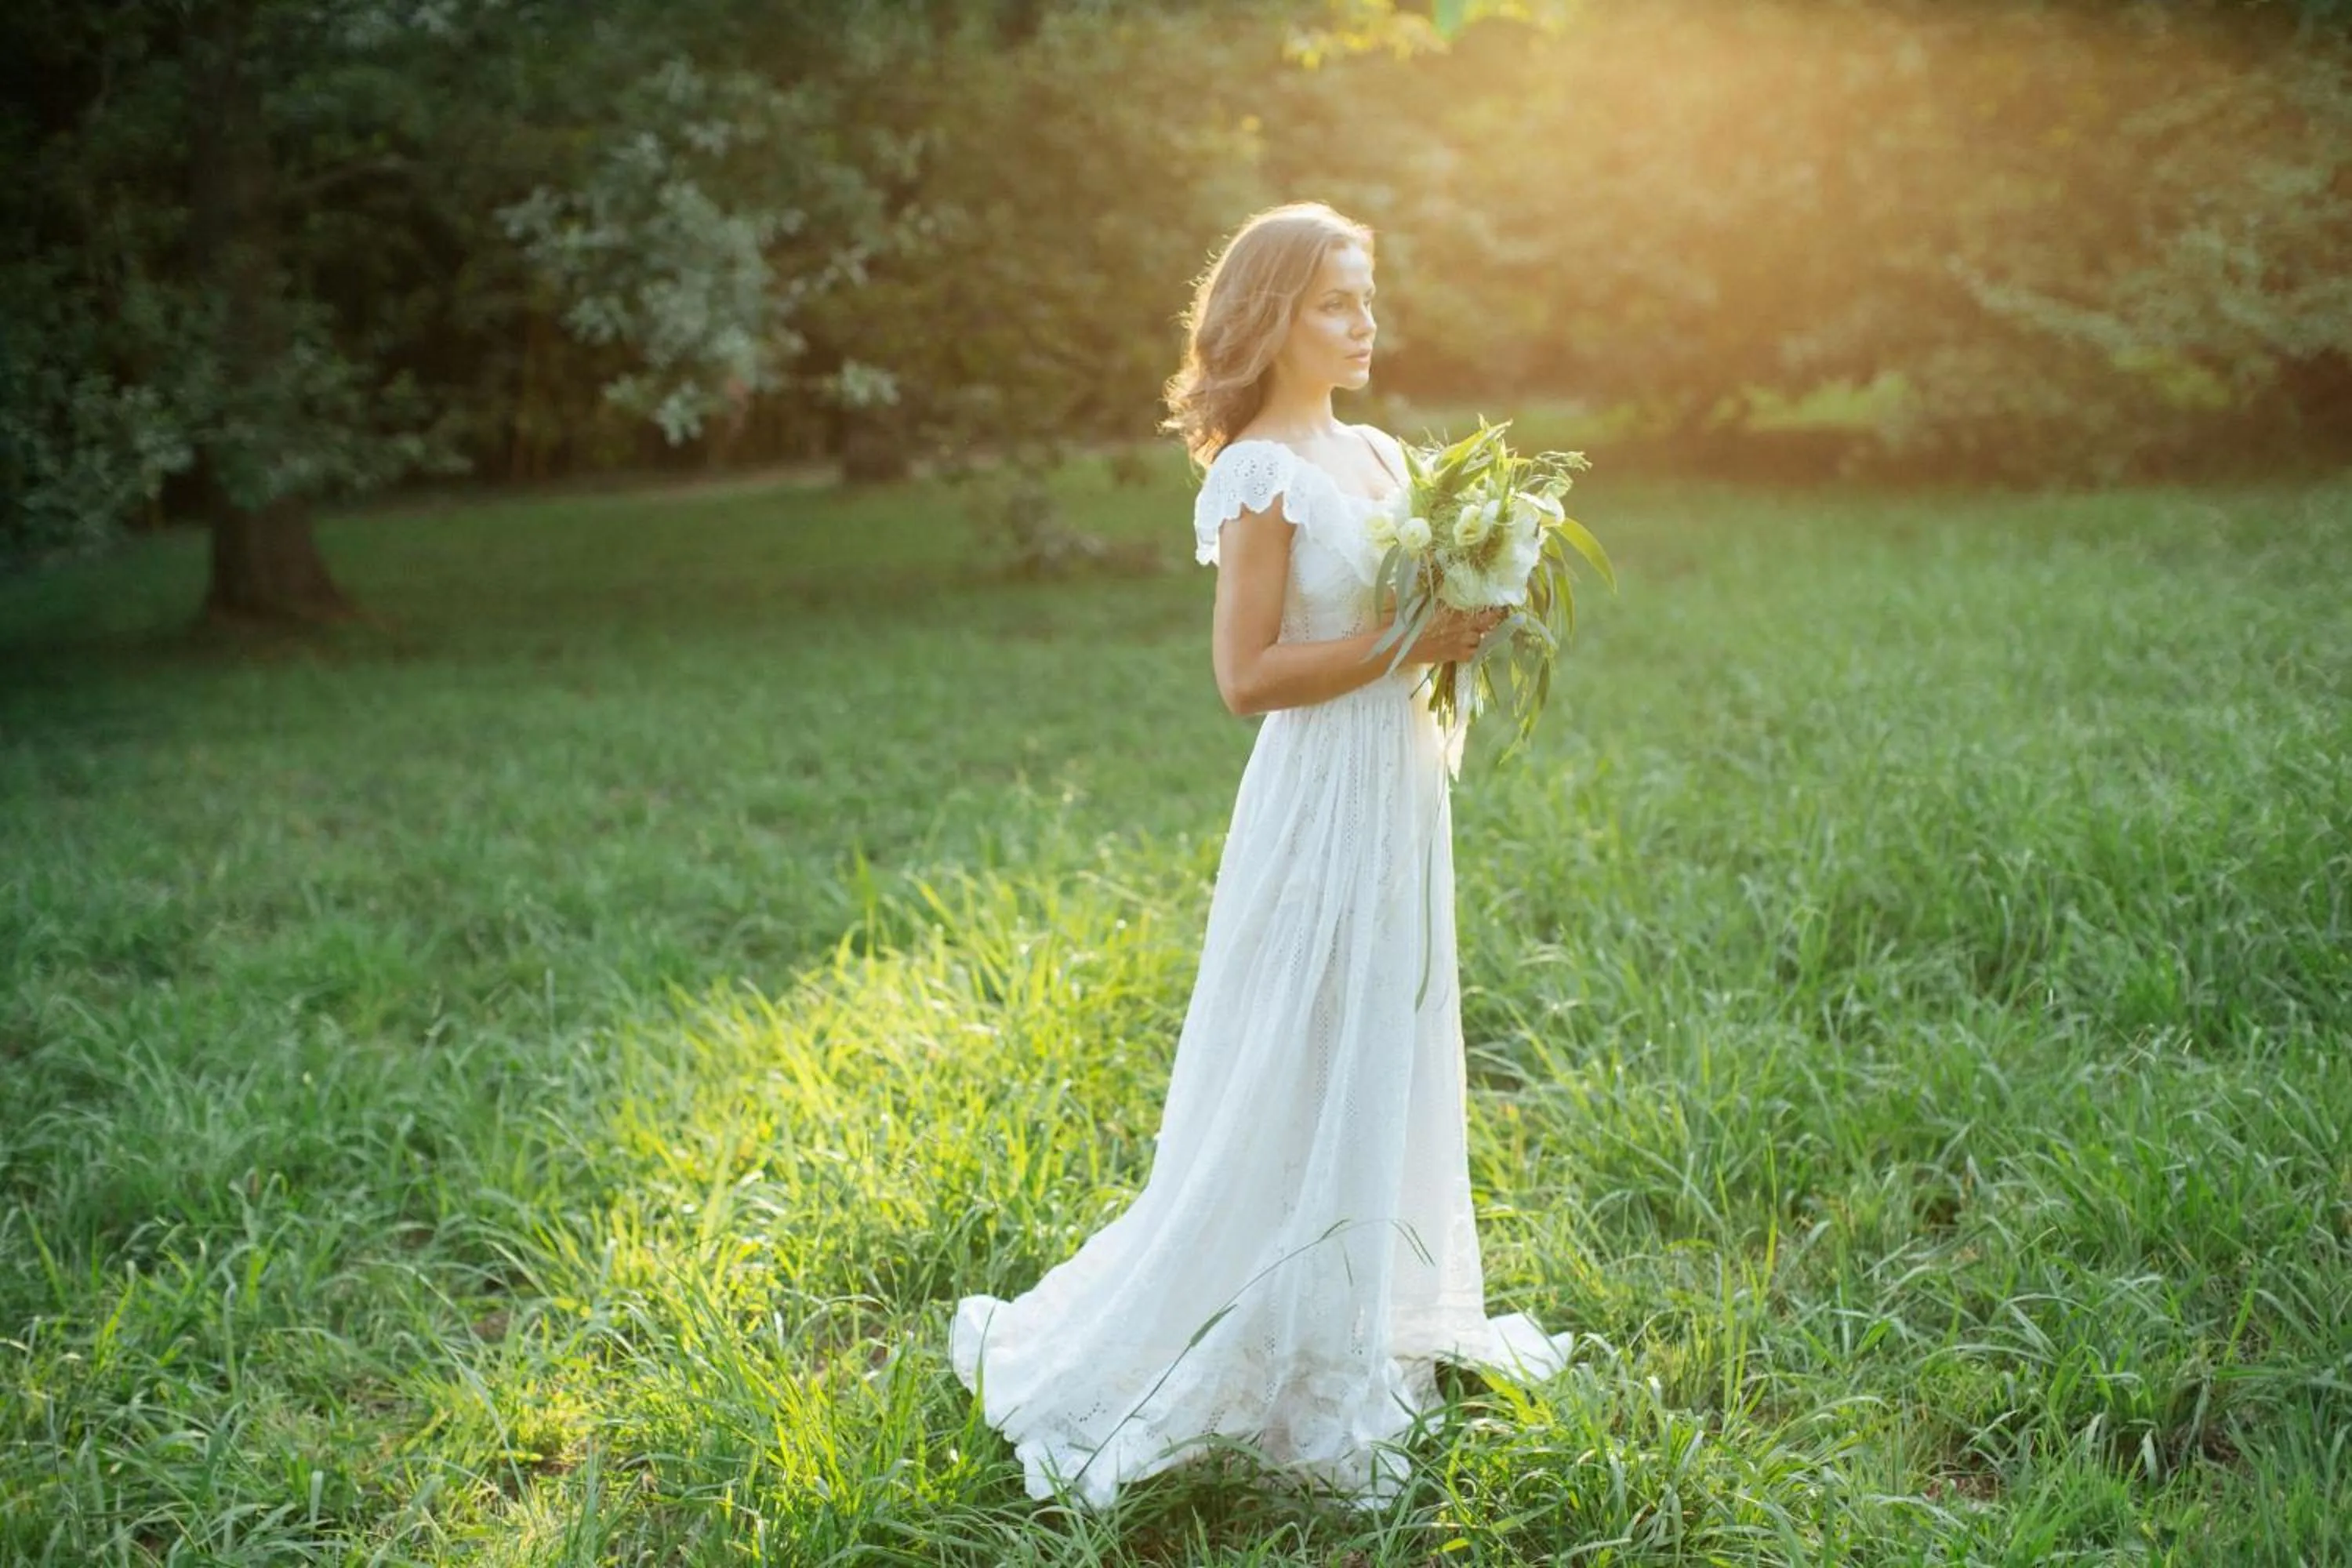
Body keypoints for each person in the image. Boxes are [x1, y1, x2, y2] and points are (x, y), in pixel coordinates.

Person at [949, 201, 1576, 1511]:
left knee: (1385, 1035)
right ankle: (1251, 1324)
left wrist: (1475, 609)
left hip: (1399, 789)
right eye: (1337, 304)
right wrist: (1419, 644)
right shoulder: (1259, 473)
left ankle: (1368, 1304)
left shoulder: (1385, 455)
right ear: (1272, 317)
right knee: (1297, 1040)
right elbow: (1246, 677)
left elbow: (1413, 612)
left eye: (1369, 299)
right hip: (1317, 793)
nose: (1365, 324)